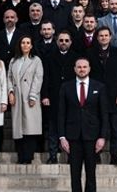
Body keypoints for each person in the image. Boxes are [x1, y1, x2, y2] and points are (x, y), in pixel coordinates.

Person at [57, 57, 110, 192]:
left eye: (84, 67)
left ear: (89, 69)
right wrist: (62, 137)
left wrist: (102, 137)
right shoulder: (66, 87)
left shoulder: (99, 87)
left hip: (92, 136)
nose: (82, 69)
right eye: (79, 67)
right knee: (75, 173)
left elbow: (104, 114)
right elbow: (61, 113)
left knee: (91, 173)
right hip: (72, 137)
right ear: (74, 69)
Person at [88, 27, 117, 165]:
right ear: (97, 38)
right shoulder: (91, 53)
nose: (103, 38)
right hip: (95, 97)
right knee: (96, 128)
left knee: (114, 129)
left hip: (113, 96)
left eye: (106, 35)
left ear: (110, 37)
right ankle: (96, 155)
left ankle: (114, 156)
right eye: (101, 35)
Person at [42, 30, 78, 163]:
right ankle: (52, 155)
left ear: (71, 42)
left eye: (66, 41)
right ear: (57, 42)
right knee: (53, 128)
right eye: (61, 40)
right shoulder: (49, 56)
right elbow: (45, 78)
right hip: (54, 96)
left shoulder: (76, 57)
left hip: (71, 97)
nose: (64, 43)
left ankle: (70, 155)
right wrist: (45, 95)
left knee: (70, 128)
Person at [9, 35, 45, 164]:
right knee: (18, 128)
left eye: (27, 43)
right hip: (17, 97)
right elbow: (9, 78)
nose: (25, 45)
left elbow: (38, 78)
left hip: (30, 97)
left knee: (30, 128)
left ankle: (28, 156)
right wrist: (10, 92)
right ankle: (20, 155)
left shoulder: (36, 60)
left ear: (31, 45)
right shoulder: (14, 61)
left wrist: (33, 95)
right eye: (23, 42)